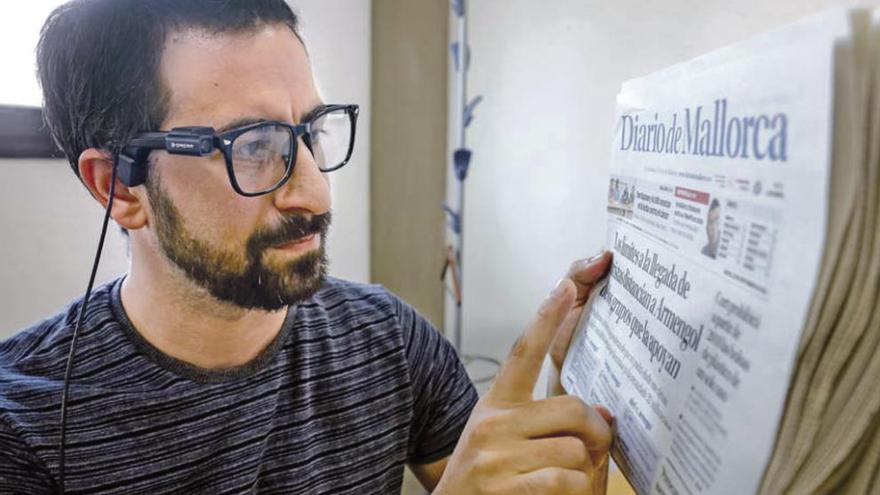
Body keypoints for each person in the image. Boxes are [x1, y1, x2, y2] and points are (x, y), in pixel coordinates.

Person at [0, 1, 613, 493]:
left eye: (310, 132)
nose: (316, 193)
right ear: (119, 188)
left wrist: (575, 391)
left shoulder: (387, 338)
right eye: (252, 145)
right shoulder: (20, 428)